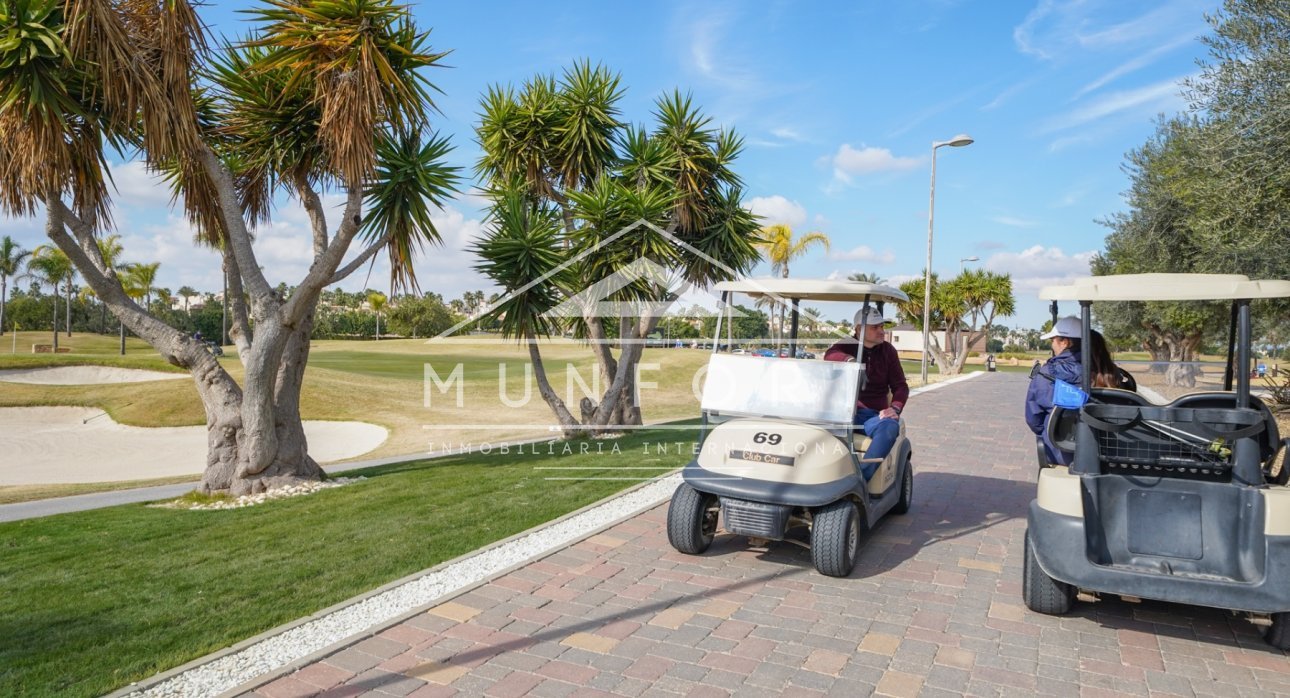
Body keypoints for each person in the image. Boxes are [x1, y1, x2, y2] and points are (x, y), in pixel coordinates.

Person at [824, 307, 908, 480]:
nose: (881, 331)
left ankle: (861, 479)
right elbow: (830, 355)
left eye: (881, 327)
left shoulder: (888, 351)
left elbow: (900, 386)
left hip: (871, 416)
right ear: (859, 329)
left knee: (890, 427)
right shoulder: (846, 346)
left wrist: (895, 408)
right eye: (875, 327)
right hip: (843, 413)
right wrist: (850, 361)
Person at [1025, 316, 1082, 465]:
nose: (1052, 345)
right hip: (1101, 454)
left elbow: (1034, 419)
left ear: (1064, 342)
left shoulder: (1046, 374)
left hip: (1060, 453)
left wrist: (1047, 434)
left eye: (1053, 340)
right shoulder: (1106, 372)